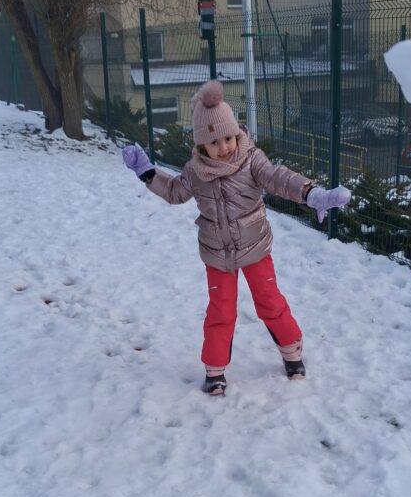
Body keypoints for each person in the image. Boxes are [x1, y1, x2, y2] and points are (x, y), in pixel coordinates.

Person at [122, 79, 350, 395]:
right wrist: (147, 172)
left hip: (255, 246)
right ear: (202, 145)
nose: (225, 147)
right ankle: (215, 370)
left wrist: (312, 194)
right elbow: (175, 192)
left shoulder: (251, 159)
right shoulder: (195, 171)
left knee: (269, 301)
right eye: (215, 142)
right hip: (217, 253)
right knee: (221, 310)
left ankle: (292, 352)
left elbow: (277, 177)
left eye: (229, 137)